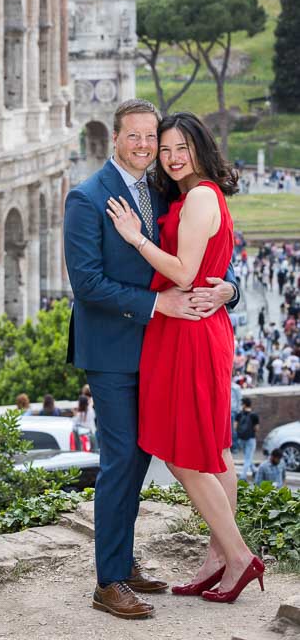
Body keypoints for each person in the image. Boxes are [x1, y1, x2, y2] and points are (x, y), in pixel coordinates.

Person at [64, 100, 239, 620]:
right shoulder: (87, 196)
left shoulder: (164, 188)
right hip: (114, 351)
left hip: (163, 347)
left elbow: (200, 255)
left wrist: (228, 290)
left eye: (153, 140)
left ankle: (124, 560)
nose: (146, 147)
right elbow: (87, 283)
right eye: (136, 137)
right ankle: (109, 582)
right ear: (114, 138)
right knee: (122, 460)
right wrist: (158, 303)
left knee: (145, 456)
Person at [107, 111, 263, 605]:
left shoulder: (198, 196)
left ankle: (237, 557)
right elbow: (211, 266)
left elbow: (183, 270)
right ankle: (219, 557)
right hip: (196, 325)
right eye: (166, 149)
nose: (172, 159)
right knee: (214, 449)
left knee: (183, 450)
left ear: (200, 148)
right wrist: (228, 289)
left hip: (189, 330)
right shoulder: (197, 192)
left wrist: (136, 237)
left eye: (182, 149)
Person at [235, 397, 260, 481]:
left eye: (242, 404)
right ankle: (243, 477)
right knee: (247, 458)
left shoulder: (239, 414)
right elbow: (256, 428)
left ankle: (254, 470)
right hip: (251, 439)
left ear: (244, 404)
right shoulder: (254, 415)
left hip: (241, 439)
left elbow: (235, 427)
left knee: (248, 457)